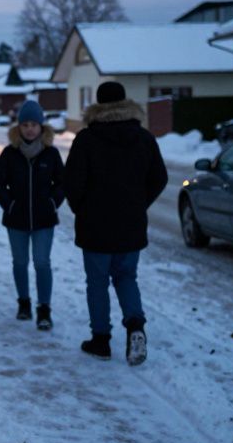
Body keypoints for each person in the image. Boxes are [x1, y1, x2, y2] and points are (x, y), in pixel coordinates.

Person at [64, 81, 167, 366]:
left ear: (97, 105)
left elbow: (72, 182)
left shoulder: (86, 139)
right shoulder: (143, 137)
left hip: (94, 225)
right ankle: (135, 326)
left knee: (97, 282)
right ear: (125, 102)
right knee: (126, 277)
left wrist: (81, 209)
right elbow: (159, 178)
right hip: (130, 225)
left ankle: (101, 340)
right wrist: (138, 204)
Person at [0, 100, 64, 330]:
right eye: (25, 125)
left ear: (41, 127)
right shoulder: (10, 154)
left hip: (44, 220)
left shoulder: (51, 154)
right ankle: (24, 303)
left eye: (34, 124)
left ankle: (44, 309)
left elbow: (62, 183)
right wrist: (9, 205)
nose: (30, 129)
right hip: (17, 220)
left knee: (42, 263)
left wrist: (52, 202)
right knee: (20, 262)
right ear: (19, 127)